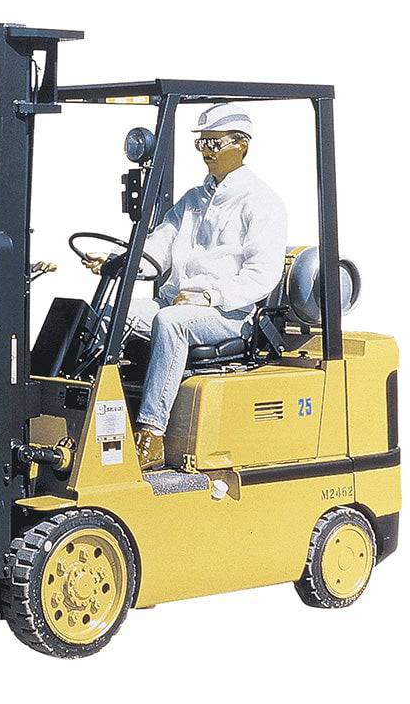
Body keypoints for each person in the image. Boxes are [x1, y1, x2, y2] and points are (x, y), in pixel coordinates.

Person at [84, 103, 287, 470]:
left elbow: (263, 273)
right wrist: (117, 260)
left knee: (171, 323)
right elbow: (158, 245)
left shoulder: (262, 202)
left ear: (241, 144)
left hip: (228, 314)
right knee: (108, 314)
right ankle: (93, 412)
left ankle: (152, 434)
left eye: (214, 143)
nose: (206, 151)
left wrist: (210, 295)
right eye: (202, 143)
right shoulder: (193, 200)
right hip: (176, 303)